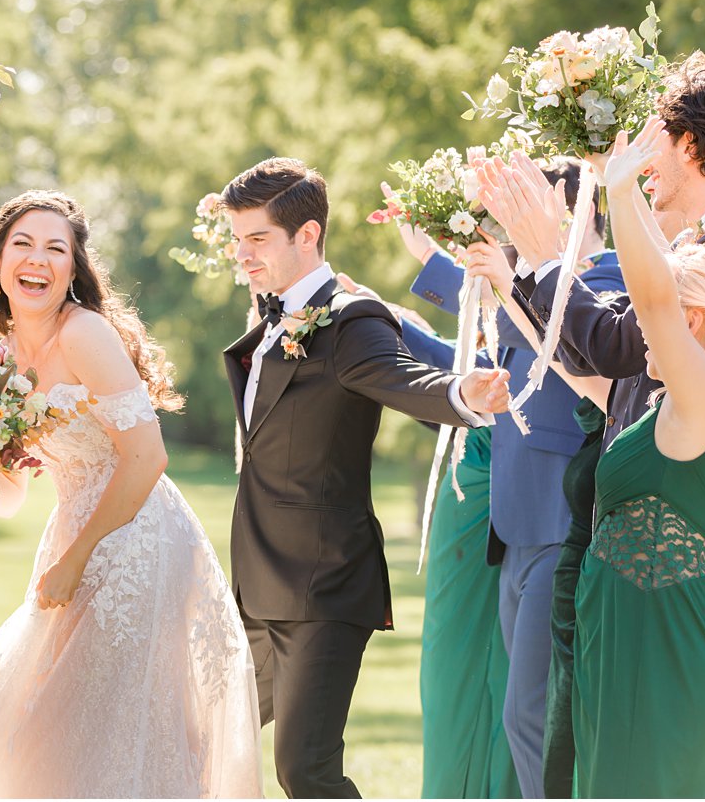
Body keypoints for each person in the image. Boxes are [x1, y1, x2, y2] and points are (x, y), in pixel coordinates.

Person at [0, 190, 263, 798]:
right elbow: (11, 496)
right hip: (71, 531)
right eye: (22, 243)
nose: (37, 259)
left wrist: (77, 559)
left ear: (73, 268)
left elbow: (147, 457)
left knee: (108, 721)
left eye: (55, 248)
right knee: (44, 729)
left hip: (137, 537)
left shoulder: (84, 333)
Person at [218, 157, 513, 798]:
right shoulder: (268, 323)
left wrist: (465, 393)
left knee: (306, 770)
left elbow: (407, 379)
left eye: (258, 239)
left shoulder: (351, 319)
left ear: (308, 235)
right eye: (237, 239)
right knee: (204, 735)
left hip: (323, 587)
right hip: (258, 583)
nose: (243, 254)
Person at [479, 53, 705, 638]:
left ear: (692, 146)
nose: (643, 155)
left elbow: (622, 342)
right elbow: (605, 355)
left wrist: (549, 258)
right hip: (654, 521)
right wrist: (532, 261)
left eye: (656, 137)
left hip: (693, 532)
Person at [513, 123, 705, 796]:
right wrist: (521, 269)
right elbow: (584, 374)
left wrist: (618, 184)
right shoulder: (667, 403)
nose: (638, 328)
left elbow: (657, 295)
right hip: (619, 639)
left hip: (668, 652)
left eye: (651, 317)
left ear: (689, 324)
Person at [397, 160, 623, 797]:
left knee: (533, 714)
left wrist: (505, 280)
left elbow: (561, 344)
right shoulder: (535, 285)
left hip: (561, 523)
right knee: (524, 713)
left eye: (517, 208)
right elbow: (491, 364)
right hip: (516, 526)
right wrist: (404, 314)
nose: (505, 227)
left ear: (563, 206)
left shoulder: (609, 282)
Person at [336, 275, 521, 799]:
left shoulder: (571, 270)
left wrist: (398, 318)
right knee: (451, 674)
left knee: (499, 679)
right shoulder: (517, 273)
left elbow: (510, 359)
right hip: (472, 480)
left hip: (512, 491)